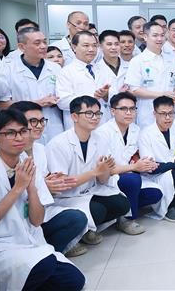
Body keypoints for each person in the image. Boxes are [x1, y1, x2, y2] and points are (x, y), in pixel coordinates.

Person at [0, 109, 85, 291]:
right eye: (10, 133)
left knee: (74, 281)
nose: (19, 137)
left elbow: (37, 221)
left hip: (30, 239)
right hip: (1, 244)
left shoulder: (27, 163)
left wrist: (31, 188)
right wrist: (18, 188)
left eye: (23, 131)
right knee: (42, 266)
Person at [45, 96, 131, 246]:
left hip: (90, 191)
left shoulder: (100, 139)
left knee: (122, 204)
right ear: (74, 117)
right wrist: (94, 172)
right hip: (67, 197)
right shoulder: (58, 144)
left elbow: (103, 180)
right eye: (89, 113)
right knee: (97, 210)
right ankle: (81, 233)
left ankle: (88, 228)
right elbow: (61, 185)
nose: (95, 117)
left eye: (98, 113)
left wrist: (104, 170)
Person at [10, 100, 89, 257]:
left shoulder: (40, 149)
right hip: (15, 216)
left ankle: (51, 252)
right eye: (33, 121)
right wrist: (43, 186)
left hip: (39, 210)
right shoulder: (9, 155)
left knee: (78, 218)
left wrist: (53, 183)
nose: (39, 126)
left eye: (41, 121)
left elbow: (45, 184)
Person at [93, 92, 160, 234]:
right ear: (112, 111)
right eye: (123, 109)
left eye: (132, 109)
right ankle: (127, 219)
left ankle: (120, 210)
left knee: (155, 194)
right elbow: (106, 171)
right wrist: (135, 166)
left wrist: (146, 162)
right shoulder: (103, 133)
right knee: (132, 179)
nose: (129, 113)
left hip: (127, 174)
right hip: (108, 179)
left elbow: (137, 152)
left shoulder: (135, 129)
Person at [0, 27, 63, 143]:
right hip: (22, 126)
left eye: (44, 42)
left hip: (53, 126)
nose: (43, 46)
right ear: (22, 47)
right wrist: (37, 103)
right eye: (37, 43)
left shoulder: (55, 68)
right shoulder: (8, 70)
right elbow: (2, 104)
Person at [124, 21, 175, 126]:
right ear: (145, 37)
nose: (159, 39)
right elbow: (135, 90)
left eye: (162, 35)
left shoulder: (171, 58)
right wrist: (162, 94)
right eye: (155, 35)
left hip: (170, 111)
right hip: (148, 113)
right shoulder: (137, 61)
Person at [56, 30, 110, 128]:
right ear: (74, 47)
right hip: (79, 125)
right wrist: (92, 97)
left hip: (103, 122)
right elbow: (62, 101)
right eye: (86, 45)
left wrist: (106, 95)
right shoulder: (66, 72)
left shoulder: (103, 68)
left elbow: (113, 95)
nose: (91, 49)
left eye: (94, 45)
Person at [97, 30, 129, 111]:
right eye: (109, 44)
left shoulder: (130, 66)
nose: (114, 47)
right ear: (100, 46)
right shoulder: (95, 69)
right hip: (105, 112)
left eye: (117, 44)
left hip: (127, 111)